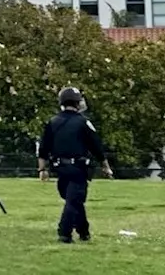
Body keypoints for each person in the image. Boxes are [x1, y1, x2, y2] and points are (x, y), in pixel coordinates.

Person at [38, 86, 113, 244]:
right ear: (77, 103)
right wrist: (105, 166)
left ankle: (83, 231)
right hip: (78, 169)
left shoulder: (52, 122)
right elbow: (96, 146)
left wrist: (42, 169)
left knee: (74, 199)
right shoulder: (83, 122)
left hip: (59, 168)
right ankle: (64, 233)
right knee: (74, 201)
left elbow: (43, 148)